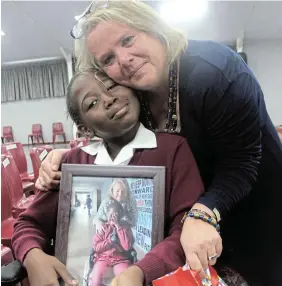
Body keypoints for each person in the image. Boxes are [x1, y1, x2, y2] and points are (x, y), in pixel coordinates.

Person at [36, 1, 282, 285]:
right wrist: (64, 156)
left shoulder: (215, 71)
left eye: (128, 40)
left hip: (254, 205)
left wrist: (202, 214)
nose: (124, 60)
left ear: (153, 28)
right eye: (108, 59)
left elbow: (241, 163)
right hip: (190, 216)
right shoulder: (134, 89)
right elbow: (118, 134)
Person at [12, 70, 206, 286]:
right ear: (86, 129)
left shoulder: (172, 150)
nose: (109, 99)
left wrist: (141, 271)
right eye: (92, 103)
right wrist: (32, 254)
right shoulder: (73, 163)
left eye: (112, 86)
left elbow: (187, 228)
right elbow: (29, 224)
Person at [90, 200, 134, 286]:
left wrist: (118, 226)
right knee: (95, 282)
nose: (113, 217)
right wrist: (109, 241)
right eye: (110, 215)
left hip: (120, 259)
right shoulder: (103, 227)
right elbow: (96, 248)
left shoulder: (125, 227)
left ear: (120, 215)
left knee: (125, 280)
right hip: (103, 258)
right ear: (107, 215)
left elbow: (127, 246)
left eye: (116, 214)